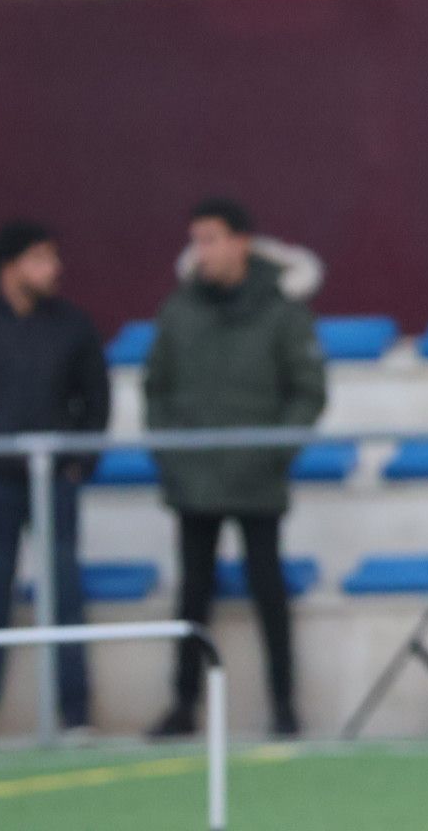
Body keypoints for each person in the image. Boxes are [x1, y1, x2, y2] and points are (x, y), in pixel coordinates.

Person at [144, 198, 326, 739]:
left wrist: (271, 453)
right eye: (197, 239)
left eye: (212, 238)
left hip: (257, 481)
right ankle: (182, 705)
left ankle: (284, 708)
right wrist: (173, 457)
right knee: (192, 595)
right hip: (193, 481)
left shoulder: (281, 310)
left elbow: (308, 391)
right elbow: (156, 388)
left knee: (269, 592)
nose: (203, 251)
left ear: (242, 241)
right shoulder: (179, 311)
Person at [0, 221, 110, 736]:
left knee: (65, 590)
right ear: (10, 267)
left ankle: (75, 714)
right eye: (40, 258)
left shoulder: (72, 325)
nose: (53, 269)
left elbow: (96, 399)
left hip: (55, 482)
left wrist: (80, 462)